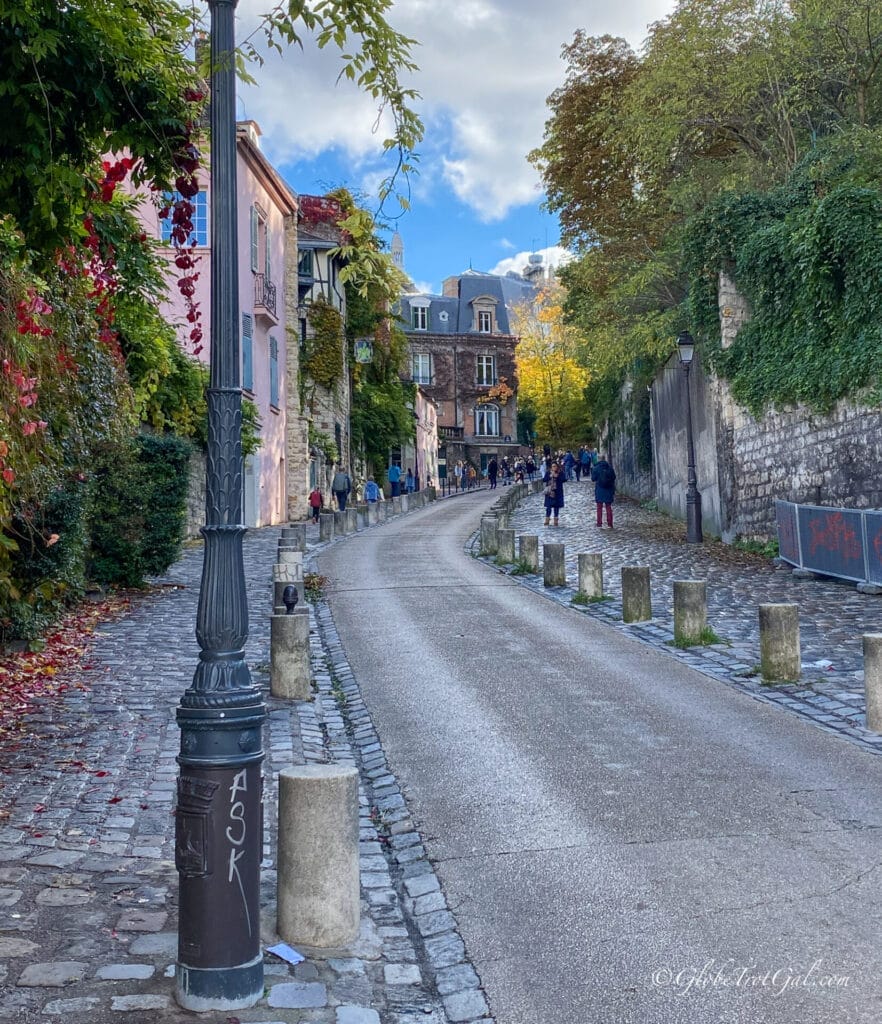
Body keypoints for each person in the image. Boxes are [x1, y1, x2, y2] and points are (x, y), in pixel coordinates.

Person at [591, 454, 617, 528]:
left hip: (599, 489)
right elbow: (614, 477)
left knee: (599, 507)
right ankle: (610, 523)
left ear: (598, 459)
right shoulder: (610, 467)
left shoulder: (596, 468)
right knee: (608, 506)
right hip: (609, 489)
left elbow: (593, 479)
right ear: (604, 458)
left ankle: (599, 523)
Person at [542, 460, 564, 527]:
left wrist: (557, 477)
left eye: (555, 466)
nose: (553, 468)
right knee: (548, 507)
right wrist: (550, 476)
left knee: (556, 507)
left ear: (557, 467)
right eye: (552, 467)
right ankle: (547, 519)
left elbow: (564, 479)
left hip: (557, 492)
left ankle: (556, 520)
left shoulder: (560, 472)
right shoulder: (548, 472)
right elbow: (544, 479)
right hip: (549, 492)